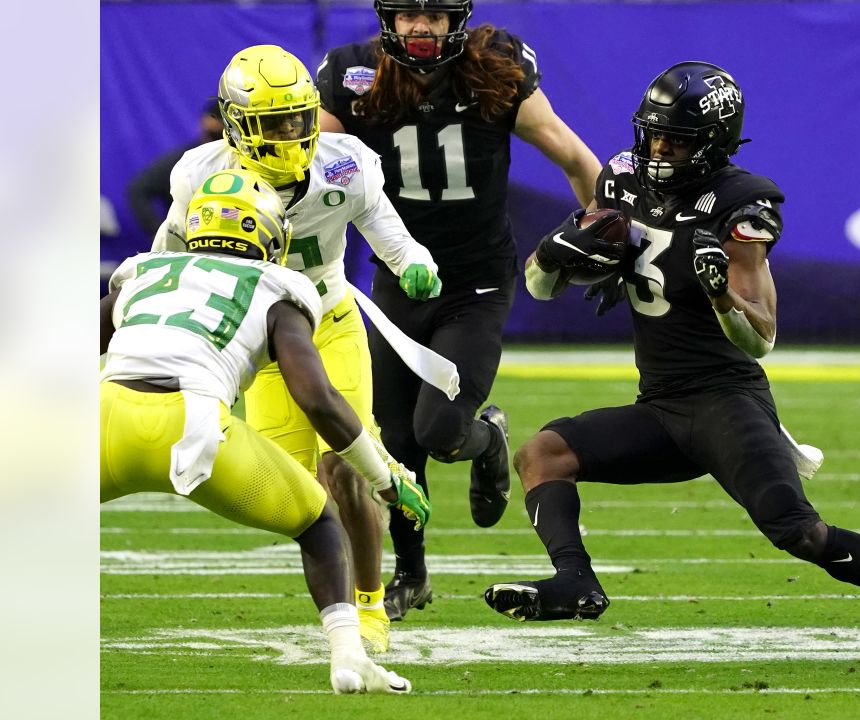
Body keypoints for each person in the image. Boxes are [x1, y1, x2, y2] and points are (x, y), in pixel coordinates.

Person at [484, 61, 860, 671]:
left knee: (799, 532)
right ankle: (575, 583)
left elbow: (761, 338)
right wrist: (553, 253)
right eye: (656, 133)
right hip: (661, 405)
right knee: (543, 453)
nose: (660, 147)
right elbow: (538, 288)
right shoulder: (621, 180)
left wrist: (721, 294)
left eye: (678, 138)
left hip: (726, 400)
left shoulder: (739, 203)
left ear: (713, 142)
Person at [316, 0, 601, 621]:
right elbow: (306, 171)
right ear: (387, 20)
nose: (421, 28)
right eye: (409, 15)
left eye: (436, 16)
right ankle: (411, 574)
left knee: (439, 431)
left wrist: (609, 238)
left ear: (457, 20)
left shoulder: (494, 68)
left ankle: (487, 437)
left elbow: (577, 160)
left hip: (473, 282)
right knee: (394, 445)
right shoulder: (353, 74)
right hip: (397, 282)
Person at [152, 44, 442, 654]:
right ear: (237, 124)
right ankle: (377, 468)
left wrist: (417, 264)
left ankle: (369, 611)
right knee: (301, 491)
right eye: (274, 121)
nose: (291, 131)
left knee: (346, 468)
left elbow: (392, 236)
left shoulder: (346, 165)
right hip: (257, 342)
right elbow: (166, 260)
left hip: (328, 320)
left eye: (298, 116)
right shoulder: (199, 175)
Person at [102, 169, 429, 693]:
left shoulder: (146, 269)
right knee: (319, 519)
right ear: (271, 234)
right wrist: (382, 477)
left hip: (105, 413)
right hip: (195, 425)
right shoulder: (278, 286)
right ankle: (348, 656)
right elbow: (319, 400)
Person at [127, 99, 225, 238]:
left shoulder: (242, 158)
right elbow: (137, 189)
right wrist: (160, 230)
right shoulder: (186, 160)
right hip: (190, 240)